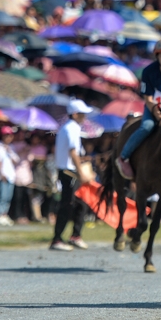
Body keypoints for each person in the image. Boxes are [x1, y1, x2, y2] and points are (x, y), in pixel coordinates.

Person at [117, 36, 161, 179]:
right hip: (153, 108)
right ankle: (123, 157)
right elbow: (148, 98)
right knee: (147, 127)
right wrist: (157, 114)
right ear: (157, 56)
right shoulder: (148, 71)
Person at [51, 99, 93, 251]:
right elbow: (72, 152)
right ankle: (57, 239)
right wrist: (81, 172)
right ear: (75, 114)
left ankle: (75, 235)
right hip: (70, 171)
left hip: (69, 170)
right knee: (67, 204)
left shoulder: (68, 128)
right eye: (82, 114)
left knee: (80, 203)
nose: (85, 117)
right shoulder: (72, 128)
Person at [0, 126, 18, 227]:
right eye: (6, 135)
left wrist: (9, 151)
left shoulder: (11, 147)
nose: (8, 138)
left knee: (8, 197)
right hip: (2, 176)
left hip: (11, 176)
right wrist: (1, 173)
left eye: (10, 135)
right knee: (2, 197)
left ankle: (5, 214)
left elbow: (16, 160)